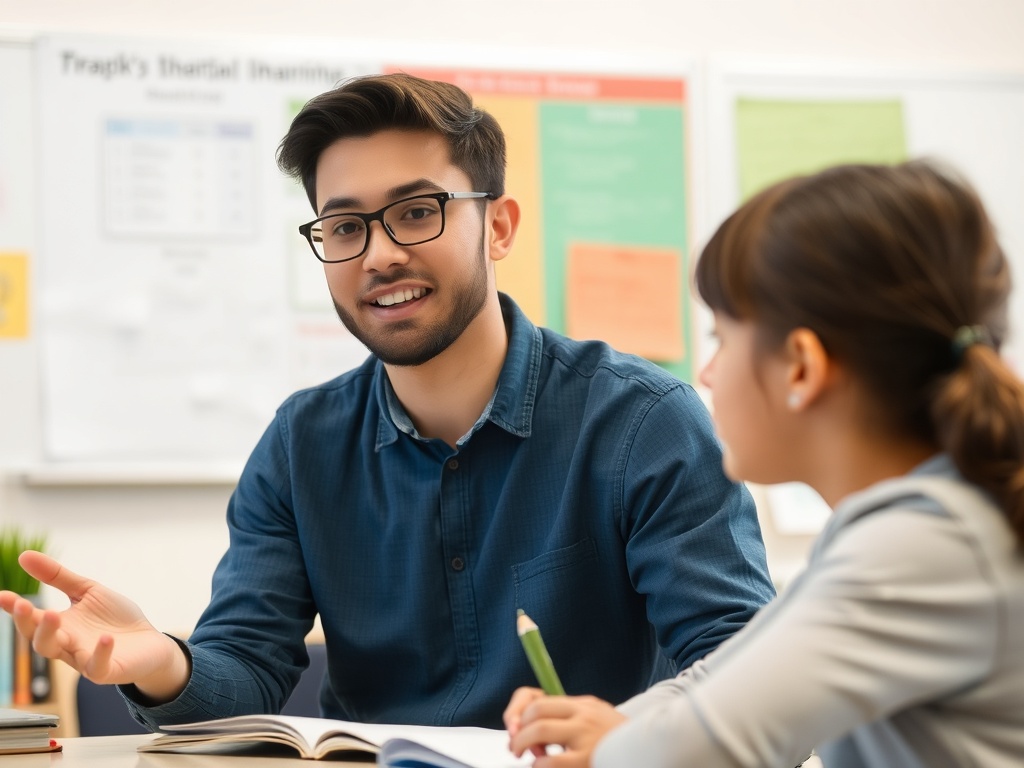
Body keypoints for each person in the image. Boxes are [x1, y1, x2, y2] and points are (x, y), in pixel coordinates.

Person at [0, 73, 774, 731]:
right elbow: (246, 667)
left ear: (498, 226)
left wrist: (627, 733)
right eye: (344, 226)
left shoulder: (642, 423)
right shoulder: (301, 444)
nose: (379, 254)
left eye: (416, 212)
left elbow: (744, 670)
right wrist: (164, 662)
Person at [505, 159, 1024, 767]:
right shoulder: (904, 526)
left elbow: (714, 745)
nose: (707, 372)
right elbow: (722, 684)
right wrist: (619, 728)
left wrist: (613, 751)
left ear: (800, 367)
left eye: (723, 338)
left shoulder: (923, 546)